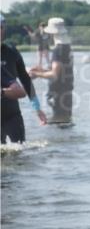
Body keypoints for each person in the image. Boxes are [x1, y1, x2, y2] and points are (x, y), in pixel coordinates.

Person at [1, 16, 48, 144]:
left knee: (20, 152)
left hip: (12, 114)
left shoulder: (12, 52)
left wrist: (37, 108)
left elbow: (26, 80)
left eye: (0, 27)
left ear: (4, 29)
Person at [28, 17, 72, 124]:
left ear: (52, 33)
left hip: (58, 96)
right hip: (66, 96)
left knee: (56, 129)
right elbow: (61, 71)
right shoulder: (67, 47)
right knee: (65, 128)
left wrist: (36, 74)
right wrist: (41, 70)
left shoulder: (58, 50)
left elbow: (54, 74)